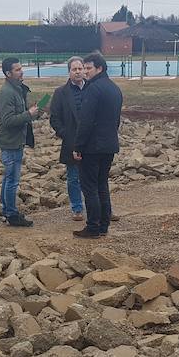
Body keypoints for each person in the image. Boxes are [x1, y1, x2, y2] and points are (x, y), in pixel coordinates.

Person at [72, 52, 123, 238]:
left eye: (88, 68)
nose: (85, 72)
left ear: (99, 68)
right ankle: (103, 225)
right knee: (102, 184)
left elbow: (86, 121)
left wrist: (78, 146)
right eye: (84, 68)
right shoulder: (114, 88)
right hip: (109, 144)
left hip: (92, 147)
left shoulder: (93, 89)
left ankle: (93, 226)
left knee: (90, 187)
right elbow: (116, 120)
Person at [0, 57, 43, 227]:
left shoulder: (16, 90)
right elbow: (7, 121)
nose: (21, 71)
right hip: (10, 143)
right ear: (8, 73)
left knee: (9, 178)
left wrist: (33, 113)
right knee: (12, 180)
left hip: (15, 142)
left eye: (21, 68)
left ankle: (8, 210)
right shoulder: (7, 93)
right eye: (17, 69)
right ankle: (11, 215)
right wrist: (28, 114)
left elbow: (19, 115)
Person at [49, 56, 85, 221]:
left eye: (80, 68)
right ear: (69, 72)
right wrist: (66, 134)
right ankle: (77, 208)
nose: (77, 72)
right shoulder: (60, 93)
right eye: (74, 69)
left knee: (96, 177)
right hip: (71, 142)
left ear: (84, 69)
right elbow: (54, 118)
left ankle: (101, 207)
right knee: (73, 177)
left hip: (92, 142)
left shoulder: (92, 88)